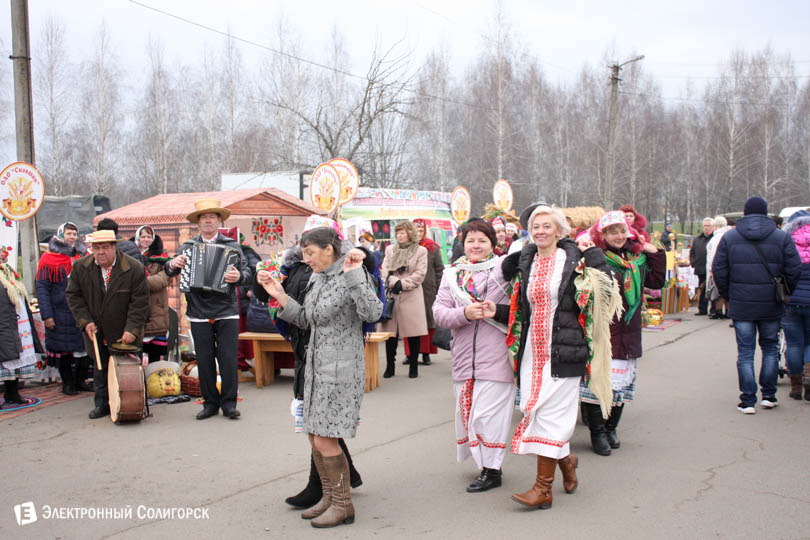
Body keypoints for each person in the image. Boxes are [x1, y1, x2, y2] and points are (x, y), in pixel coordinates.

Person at [258, 227, 382, 529]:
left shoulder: (353, 273)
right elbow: (306, 319)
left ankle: (343, 505)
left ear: (330, 249)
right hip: (315, 367)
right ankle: (329, 497)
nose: (306, 259)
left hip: (340, 371)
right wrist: (279, 294)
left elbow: (373, 312)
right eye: (304, 252)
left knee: (326, 439)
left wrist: (355, 273)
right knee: (315, 436)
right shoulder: (317, 276)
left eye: (310, 252)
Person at [501, 202, 614, 510]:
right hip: (532, 351)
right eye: (535, 226)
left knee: (551, 415)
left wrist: (593, 255)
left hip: (565, 348)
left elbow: (606, 290)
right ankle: (566, 461)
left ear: (560, 230)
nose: (540, 231)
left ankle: (543, 489)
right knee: (533, 408)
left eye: (546, 226)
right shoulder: (527, 262)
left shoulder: (573, 259)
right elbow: (518, 306)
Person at [433, 219, 514, 493]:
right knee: (468, 413)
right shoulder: (452, 274)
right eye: (470, 240)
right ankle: (485, 465)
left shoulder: (505, 269)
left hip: (498, 354)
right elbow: (439, 312)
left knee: (488, 415)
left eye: (482, 240)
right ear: (462, 244)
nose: (476, 245)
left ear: (493, 243)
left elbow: (522, 304)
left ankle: (493, 469)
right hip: (463, 356)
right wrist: (464, 314)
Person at [583, 210, 666, 455]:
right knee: (596, 383)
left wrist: (656, 254)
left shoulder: (635, 259)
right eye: (612, 231)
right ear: (603, 234)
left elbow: (656, 282)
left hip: (628, 330)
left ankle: (611, 427)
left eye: (622, 231)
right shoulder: (594, 257)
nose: (618, 236)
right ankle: (597, 432)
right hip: (602, 329)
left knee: (621, 384)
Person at [712, 196, 801, 414]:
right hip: (771, 302)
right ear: (766, 213)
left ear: (744, 213)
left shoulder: (730, 237)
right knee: (770, 348)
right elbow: (794, 268)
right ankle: (769, 396)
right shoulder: (781, 237)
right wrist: (785, 291)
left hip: (741, 303)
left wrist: (727, 295)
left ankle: (748, 400)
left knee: (745, 352)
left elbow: (719, 269)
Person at [165, 199, 251, 420]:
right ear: (198, 222)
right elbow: (169, 268)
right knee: (204, 358)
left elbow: (248, 274)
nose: (208, 220)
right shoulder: (188, 247)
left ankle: (229, 404)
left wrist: (238, 276)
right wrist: (173, 264)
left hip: (226, 309)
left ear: (219, 220)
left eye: (212, 216)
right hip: (199, 309)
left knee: (228, 358)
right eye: (204, 217)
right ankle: (210, 403)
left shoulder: (232, 245)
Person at [65, 230, 149, 419]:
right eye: (96, 248)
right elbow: (73, 296)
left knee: (127, 369)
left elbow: (140, 303)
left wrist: (132, 330)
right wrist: (85, 321)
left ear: (114, 247)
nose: (100, 252)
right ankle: (102, 404)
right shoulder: (80, 267)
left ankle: (133, 404)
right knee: (100, 366)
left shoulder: (133, 268)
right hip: (95, 329)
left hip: (124, 328)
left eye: (104, 247)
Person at [36, 222, 90, 395]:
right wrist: (47, 315)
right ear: (60, 235)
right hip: (60, 311)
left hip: (81, 309)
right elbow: (43, 288)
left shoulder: (83, 256)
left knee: (84, 349)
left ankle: (80, 381)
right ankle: (67, 383)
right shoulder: (48, 259)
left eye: (74, 233)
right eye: (68, 233)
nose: (72, 237)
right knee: (64, 350)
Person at [380, 220, 428, 379]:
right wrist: (394, 282)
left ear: (410, 233)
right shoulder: (389, 249)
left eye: (402, 232)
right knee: (390, 333)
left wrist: (403, 283)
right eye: (397, 233)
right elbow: (385, 269)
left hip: (411, 294)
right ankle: (390, 366)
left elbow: (420, 274)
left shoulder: (421, 251)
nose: (399, 236)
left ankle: (414, 365)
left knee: (413, 332)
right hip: (392, 294)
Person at [1, 250, 44, 406]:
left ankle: (12, 393)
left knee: (15, 359)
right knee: (4, 361)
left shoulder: (10, 277)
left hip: (16, 325)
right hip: (4, 326)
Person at [405, 218, 445, 366]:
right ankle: (410, 354)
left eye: (421, 230)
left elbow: (439, 269)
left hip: (428, 289)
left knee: (428, 321)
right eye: (416, 230)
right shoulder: (405, 247)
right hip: (409, 288)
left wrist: (440, 289)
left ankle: (426, 353)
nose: (418, 233)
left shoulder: (432, 247)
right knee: (409, 321)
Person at [782, 210, 810, 400]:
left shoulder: (785, 243)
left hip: (790, 301)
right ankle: (809, 374)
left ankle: (796, 386)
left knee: (793, 343)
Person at [132, 225, 170, 363]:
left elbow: (165, 277)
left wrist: (141, 283)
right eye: (143, 236)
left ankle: (153, 382)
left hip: (156, 306)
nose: (146, 239)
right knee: (136, 353)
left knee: (155, 355)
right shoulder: (130, 256)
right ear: (138, 238)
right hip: (136, 305)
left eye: (149, 236)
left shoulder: (162, 258)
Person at [706, 216, 732, 318]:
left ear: (717, 226)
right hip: (728, 267)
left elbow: (713, 254)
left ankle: (718, 311)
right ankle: (728, 311)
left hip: (718, 267)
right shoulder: (729, 235)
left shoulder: (717, 237)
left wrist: (712, 268)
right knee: (727, 290)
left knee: (718, 291)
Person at [690, 217, 714, 316]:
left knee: (712, 290)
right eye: (705, 226)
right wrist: (693, 262)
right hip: (700, 268)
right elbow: (692, 252)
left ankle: (714, 310)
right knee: (702, 289)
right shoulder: (697, 239)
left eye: (709, 226)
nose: (706, 228)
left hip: (711, 268)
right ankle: (702, 309)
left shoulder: (714, 239)